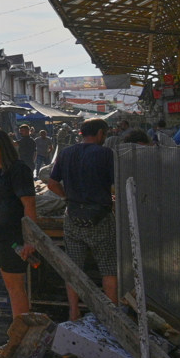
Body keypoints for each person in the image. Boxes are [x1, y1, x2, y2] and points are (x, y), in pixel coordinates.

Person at [48, 118, 117, 321]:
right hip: (101, 219)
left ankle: (73, 313)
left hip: (73, 217)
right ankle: (112, 316)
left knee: (74, 268)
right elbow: (116, 186)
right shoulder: (105, 154)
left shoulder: (66, 153)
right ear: (100, 134)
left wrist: (67, 197)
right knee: (108, 268)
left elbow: (52, 183)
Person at [0, 128, 39, 319]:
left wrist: (30, 240)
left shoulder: (18, 170)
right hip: (2, 238)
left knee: (15, 289)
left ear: (5, 148)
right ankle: (18, 330)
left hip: (14, 238)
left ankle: (20, 334)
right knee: (12, 287)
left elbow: (29, 205)